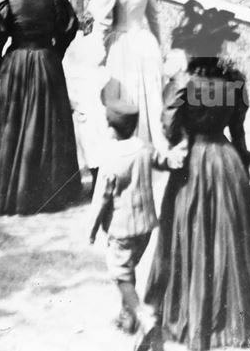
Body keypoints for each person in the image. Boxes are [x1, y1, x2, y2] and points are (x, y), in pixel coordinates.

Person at [144, 1, 250, 350]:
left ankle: (193, 314)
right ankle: (235, 321)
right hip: (227, 163)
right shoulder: (233, 82)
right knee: (229, 240)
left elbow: (169, 129)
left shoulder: (183, 84)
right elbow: (239, 131)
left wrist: (183, 139)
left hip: (194, 164)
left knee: (190, 236)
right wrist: (244, 162)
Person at [0, 0, 81, 215]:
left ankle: (16, 191)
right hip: (46, 60)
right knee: (50, 121)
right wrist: (56, 53)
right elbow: (69, 29)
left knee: (15, 122)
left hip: (16, 61)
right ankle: (51, 190)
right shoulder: (55, 0)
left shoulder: (6, 2)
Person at [89, 97, 186, 341]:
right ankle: (127, 317)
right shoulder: (145, 148)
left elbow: (102, 196)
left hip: (121, 228)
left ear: (111, 128)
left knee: (120, 273)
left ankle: (143, 316)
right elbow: (167, 161)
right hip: (145, 226)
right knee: (129, 267)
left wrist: (91, 229)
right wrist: (183, 148)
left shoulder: (110, 156)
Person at [89, 0, 166, 148]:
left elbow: (101, 21)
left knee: (127, 90)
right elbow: (154, 18)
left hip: (121, 44)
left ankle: (126, 143)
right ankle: (149, 141)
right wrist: (158, 47)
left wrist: (99, 53)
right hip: (145, 42)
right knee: (147, 92)